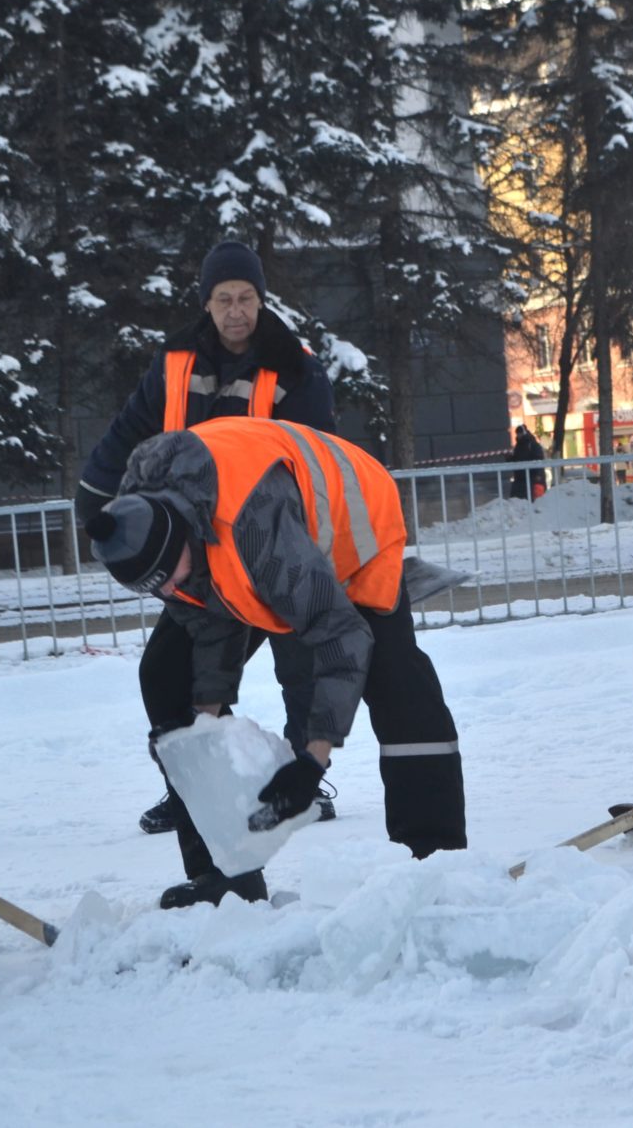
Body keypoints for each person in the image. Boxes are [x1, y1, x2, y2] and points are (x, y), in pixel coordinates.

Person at [86, 415, 467, 909]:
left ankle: (434, 859)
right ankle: (225, 875)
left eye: (170, 579)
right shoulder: (142, 523)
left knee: (398, 683)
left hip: (351, 525)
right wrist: (197, 729)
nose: (170, 592)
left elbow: (340, 638)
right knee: (166, 675)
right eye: (157, 588)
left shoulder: (257, 531)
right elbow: (207, 623)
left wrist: (311, 762)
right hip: (240, 522)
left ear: (183, 536)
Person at [77, 240, 341, 835]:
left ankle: (306, 784)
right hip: (200, 555)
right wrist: (93, 492)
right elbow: (130, 429)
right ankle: (194, 787)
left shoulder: (295, 367)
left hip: (276, 549)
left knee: (299, 666)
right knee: (166, 672)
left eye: (246, 298)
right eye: (224, 299)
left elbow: (317, 457)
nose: (236, 311)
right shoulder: (175, 362)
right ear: (206, 303)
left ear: (262, 301)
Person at [506, 424, 546, 500]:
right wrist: (509, 458)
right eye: (517, 433)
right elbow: (516, 460)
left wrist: (536, 475)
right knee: (517, 502)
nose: (518, 435)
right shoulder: (518, 446)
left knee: (533, 501)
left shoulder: (532, 445)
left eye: (520, 433)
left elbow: (538, 460)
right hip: (520, 480)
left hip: (531, 480)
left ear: (524, 433)